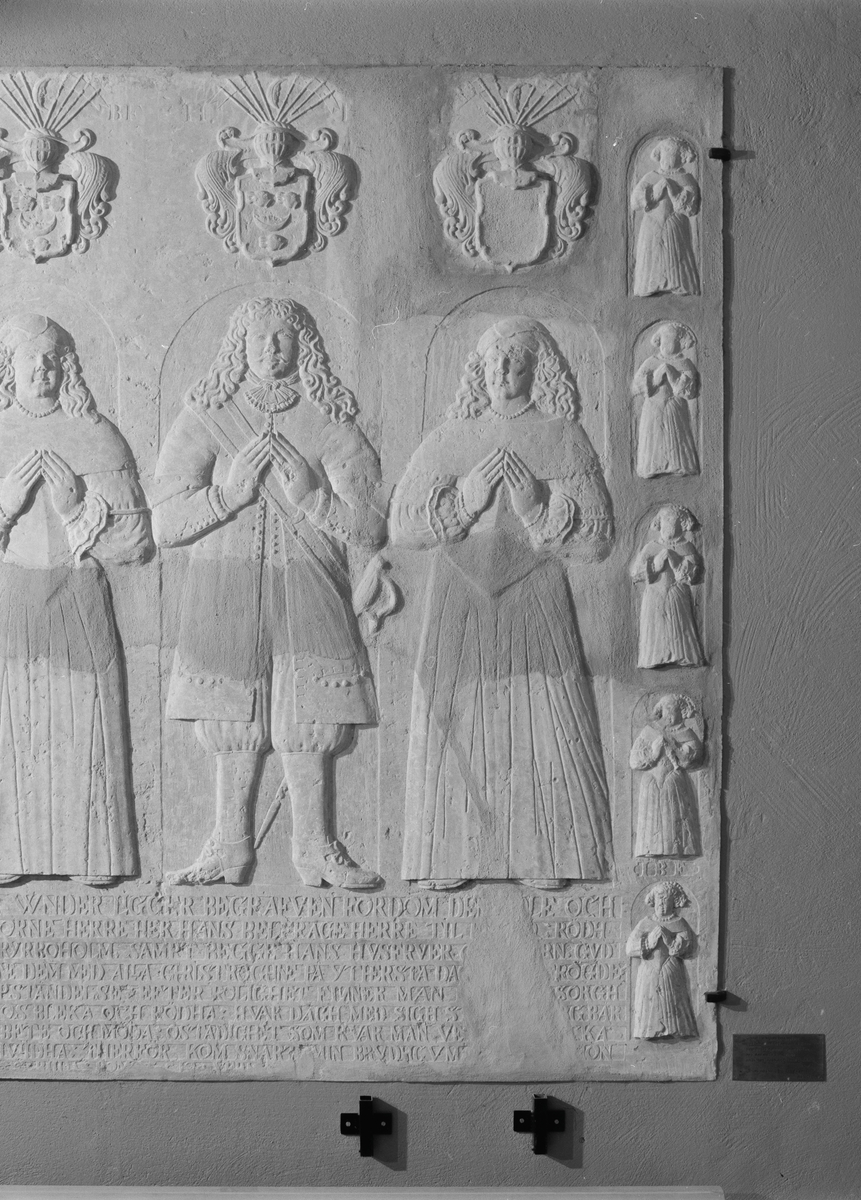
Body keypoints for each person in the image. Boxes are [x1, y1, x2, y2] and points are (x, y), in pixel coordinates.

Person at [153, 297, 384, 890]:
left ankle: (315, 847)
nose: (271, 348)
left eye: (283, 337)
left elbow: (370, 525)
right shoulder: (208, 415)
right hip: (226, 581)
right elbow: (165, 523)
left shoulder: (326, 417)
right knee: (231, 717)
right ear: (239, 346)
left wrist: (311, 496)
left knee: (312, 716)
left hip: (309, 578)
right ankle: (229, 847)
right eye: (259, 337)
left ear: (304, 347)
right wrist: (227, 494)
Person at [0, 313, 153, 886]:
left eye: (55, 357)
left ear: (68, 366)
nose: (44, 367)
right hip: (5, 598)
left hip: (77, 597)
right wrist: (3, 503)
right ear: (7, 367)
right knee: (4, 729)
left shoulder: (95, 432)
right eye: (32, 357)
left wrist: (76, 506)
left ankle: (92, 856)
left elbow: (135, 542)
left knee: (80, 730)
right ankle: (2, 853)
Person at [390, 317, 614, 891]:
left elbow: (597, 538)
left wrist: (537, 506)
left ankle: (547, 858)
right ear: (478, 370)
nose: (504, 370)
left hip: (536, 597)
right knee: (456, 724)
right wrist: (465, 500)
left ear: (539, 370)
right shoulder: (451, 438)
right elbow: (404, 526)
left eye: (516, 360)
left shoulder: (562, 436)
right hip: (459, 600)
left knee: (542, 726)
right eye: (494, 360)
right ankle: (449, 859)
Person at [630, 504, 704, 668]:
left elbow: (690, 576)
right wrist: (655, 565)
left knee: (679, 628)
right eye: (664, 519)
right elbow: (635, 573)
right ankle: (654, 659)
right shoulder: (651, 547)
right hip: (654, 594)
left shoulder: (686, 547)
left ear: (681, 523)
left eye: (671, 519)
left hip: (676, 593)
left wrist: (676, 562)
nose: (667, 523)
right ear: (659, 522)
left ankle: (682, 656)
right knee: (655, 630)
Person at [629, 694, 704, 857]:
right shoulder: (649, 732)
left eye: (673, 709)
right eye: (666, 709)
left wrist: (675, 747)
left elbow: (692, 760)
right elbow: (634, 761)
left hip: (673, 780)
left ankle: (676, 850)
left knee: (674, 817)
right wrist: (653, 755)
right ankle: (649, 850)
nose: (669, 714)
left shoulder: (687, 734)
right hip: (651, 780)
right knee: (651, 819)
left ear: (681, 712)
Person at [625, 880, 699, 1039]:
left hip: (670, 969)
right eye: (659, 899)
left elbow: (688, 949)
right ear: (653, 900)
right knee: (648, 1003)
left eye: (666, 900)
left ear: (674, 902)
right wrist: (649, 941)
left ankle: (676, 1030)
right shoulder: (646, 922)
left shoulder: (679, 923)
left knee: (674, 1005)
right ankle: (649, 1032)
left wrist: (670, 941)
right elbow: (630, 948)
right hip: (648, 970)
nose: (662, 903)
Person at [630, 137, 700, 296]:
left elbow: (691, 209)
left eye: (670, 154)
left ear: (680, 157)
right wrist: (654, 192)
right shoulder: (651, 176)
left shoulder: (686, 178)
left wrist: (675, 194)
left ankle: (678, 284)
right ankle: (649, 286)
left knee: (676, 257)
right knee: (651, 256)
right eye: (663, 154)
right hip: (651, 223)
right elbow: (634, 202)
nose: (666, 159)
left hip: (675, 224)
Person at [633, 322, 699, 478]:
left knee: (676, 436)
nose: (667, 344)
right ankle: (652, 467)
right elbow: (637, 384)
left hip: (673, 406)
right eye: (664, 340)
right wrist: (655, 379)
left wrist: (670, 372)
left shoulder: (685, 363)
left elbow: (686, 391)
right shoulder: (651, 361)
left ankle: (677, 466)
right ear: (659, 340)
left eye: (671, 340)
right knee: (654, 436)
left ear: (679, 342)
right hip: (653, 406)